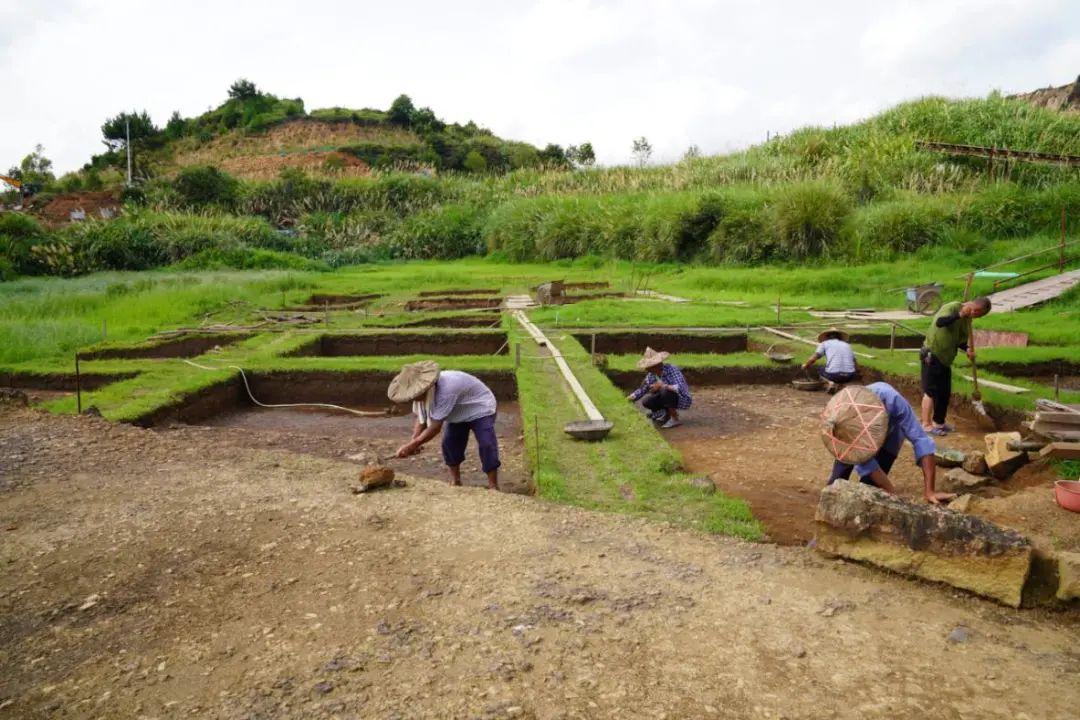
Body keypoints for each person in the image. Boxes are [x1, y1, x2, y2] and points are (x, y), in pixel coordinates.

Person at [821, 382, 954, 504]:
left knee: (870, 487)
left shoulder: (893, 401)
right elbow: (865, 462)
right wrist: (891, 490)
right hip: (848, 434)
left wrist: (929, 491)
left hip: (892, 431)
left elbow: (921, 440)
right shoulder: (843, 416)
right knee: (836, 483)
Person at [389, 360, 500, 490]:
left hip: (480, 407)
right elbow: (422, 418)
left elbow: (435, 427)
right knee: (449, 443)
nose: (412, 399)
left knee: (487, 443)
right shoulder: (422, 394)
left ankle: (493, 485)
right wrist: (413, 441)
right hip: (456, 411)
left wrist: (412, 445)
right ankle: (456, 481)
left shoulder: (446, 390)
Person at [920, 296, 992, 435]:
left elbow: (960, 341)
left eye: (978, 315)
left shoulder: (967, 321)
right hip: (932, 354)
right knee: (931, 391)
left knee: (944, 393)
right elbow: (940, 323)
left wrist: (968, 349)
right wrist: (959, 315)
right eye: (975, 311)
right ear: (972, 304)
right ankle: (926, 425)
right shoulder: (952, 307)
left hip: (946, 359)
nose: (974, 314)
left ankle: (939, 423)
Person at [626, 347, 692, 429]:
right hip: (667, 397)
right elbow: (642, 389)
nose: (646, 369)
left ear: (656, 365)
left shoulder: (672, 369)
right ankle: (666, 414)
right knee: (646, 401)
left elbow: (681, 387)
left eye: (648, 367)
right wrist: (629, 398)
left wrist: (662, 385)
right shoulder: (652, 375)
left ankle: (675, 418)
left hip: (681, 398)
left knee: (665, 391)